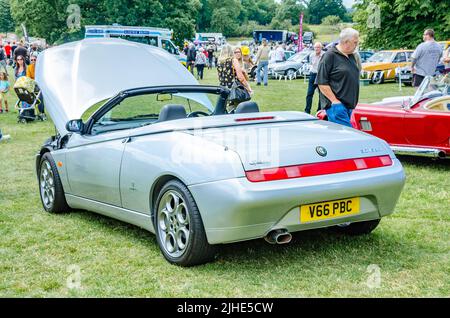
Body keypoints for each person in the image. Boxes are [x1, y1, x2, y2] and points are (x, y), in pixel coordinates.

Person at [317, 28, 361, 127]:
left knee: (339, 137)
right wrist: (335, 102)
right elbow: (321, 82)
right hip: (336, 106)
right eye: (355, 42)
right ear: (346, 42)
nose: (356, 45)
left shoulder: (352, 56)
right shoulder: (329, 56)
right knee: (348, 136)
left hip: (349, 106)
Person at [217, 45, 252, 112]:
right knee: (235, 109)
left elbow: (219, 77)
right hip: (233, 89)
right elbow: (241, 77)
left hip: (222, 89)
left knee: (226, 109)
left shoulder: (219, 62)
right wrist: (248, 88)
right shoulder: (233, 60)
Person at [305, 42, 324, 114]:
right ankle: (307, 110)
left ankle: (319, 110)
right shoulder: (311, 55)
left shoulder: (324, 55)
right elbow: (311, 64)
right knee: (309, 93)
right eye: (315, 47)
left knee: (321, 94)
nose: (316, 49)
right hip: (313, 74)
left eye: (318, 47)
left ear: (321, 48)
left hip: (321, 75)